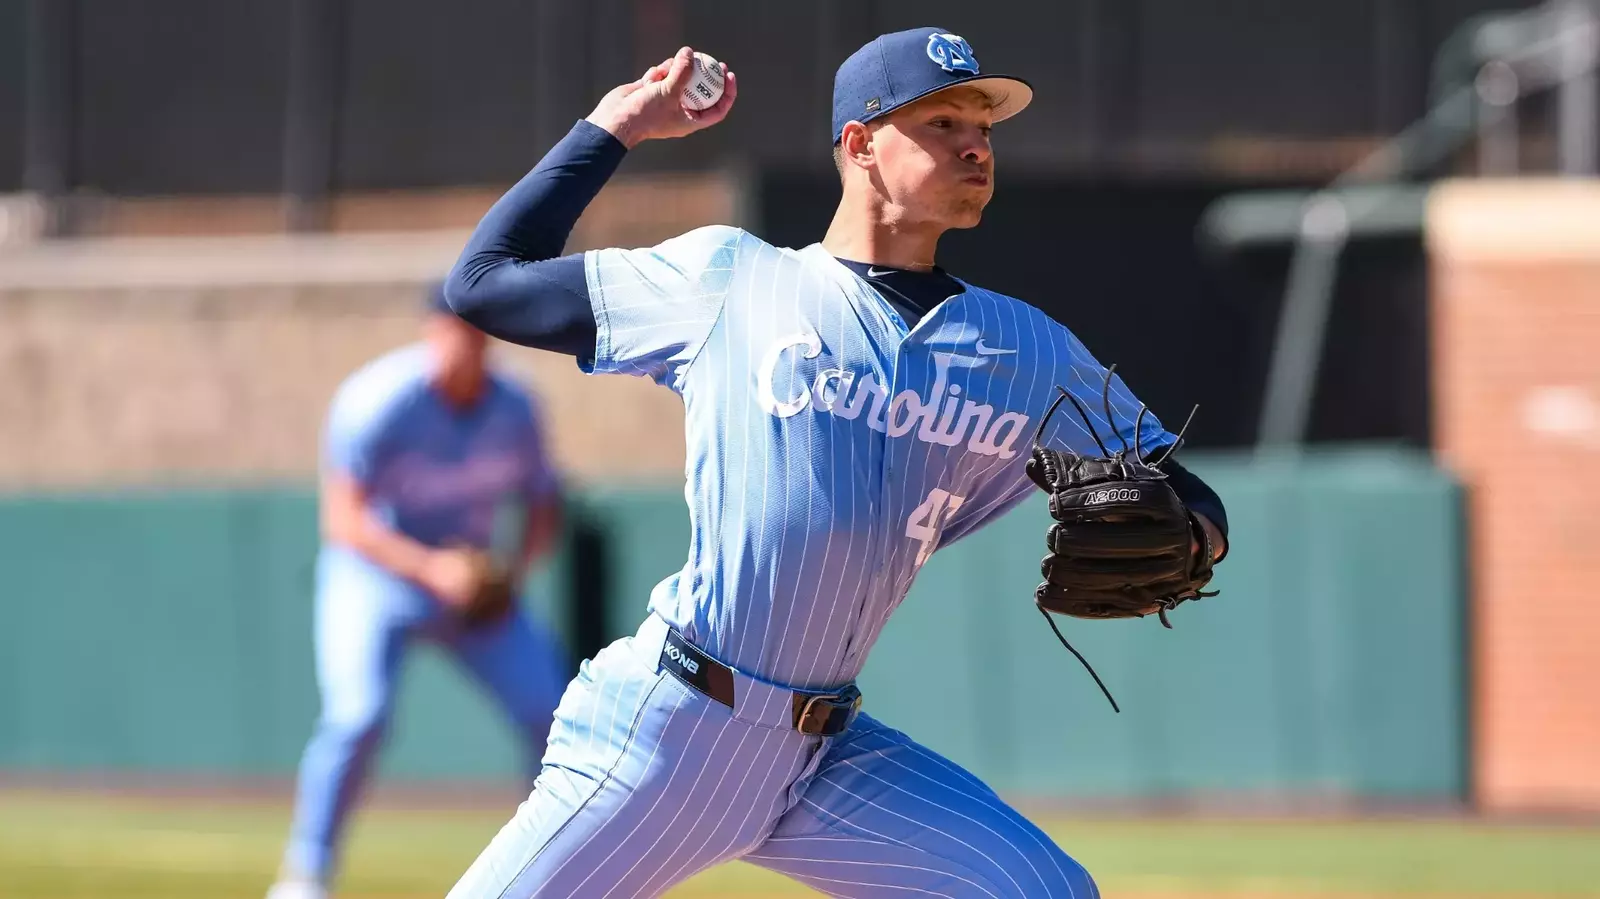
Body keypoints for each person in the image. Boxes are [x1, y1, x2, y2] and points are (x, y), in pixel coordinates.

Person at [440, 28, 1229, 898]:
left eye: (984, 126)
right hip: (670, 731)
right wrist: (613, 126)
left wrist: (1196, 537)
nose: (975, 142)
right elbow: (484, 281)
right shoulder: (730, 279)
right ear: (860, 145)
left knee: (1045, 890)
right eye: (941, 121)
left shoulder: (1024, 348)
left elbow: (1180, 487)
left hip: (824, 758)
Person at [266, 285, 569, 899]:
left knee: (555, 715)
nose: (467, 344)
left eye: (479, 332)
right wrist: (432, 570)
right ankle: (306, 874)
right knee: (357, 718)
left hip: (474, 589)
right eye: (455, 330)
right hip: (375, 580)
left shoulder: (516, 406)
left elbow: (544, 506)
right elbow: (344, 522)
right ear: (431, 332)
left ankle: (550, 869)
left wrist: (509, 573)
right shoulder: (378, 399)